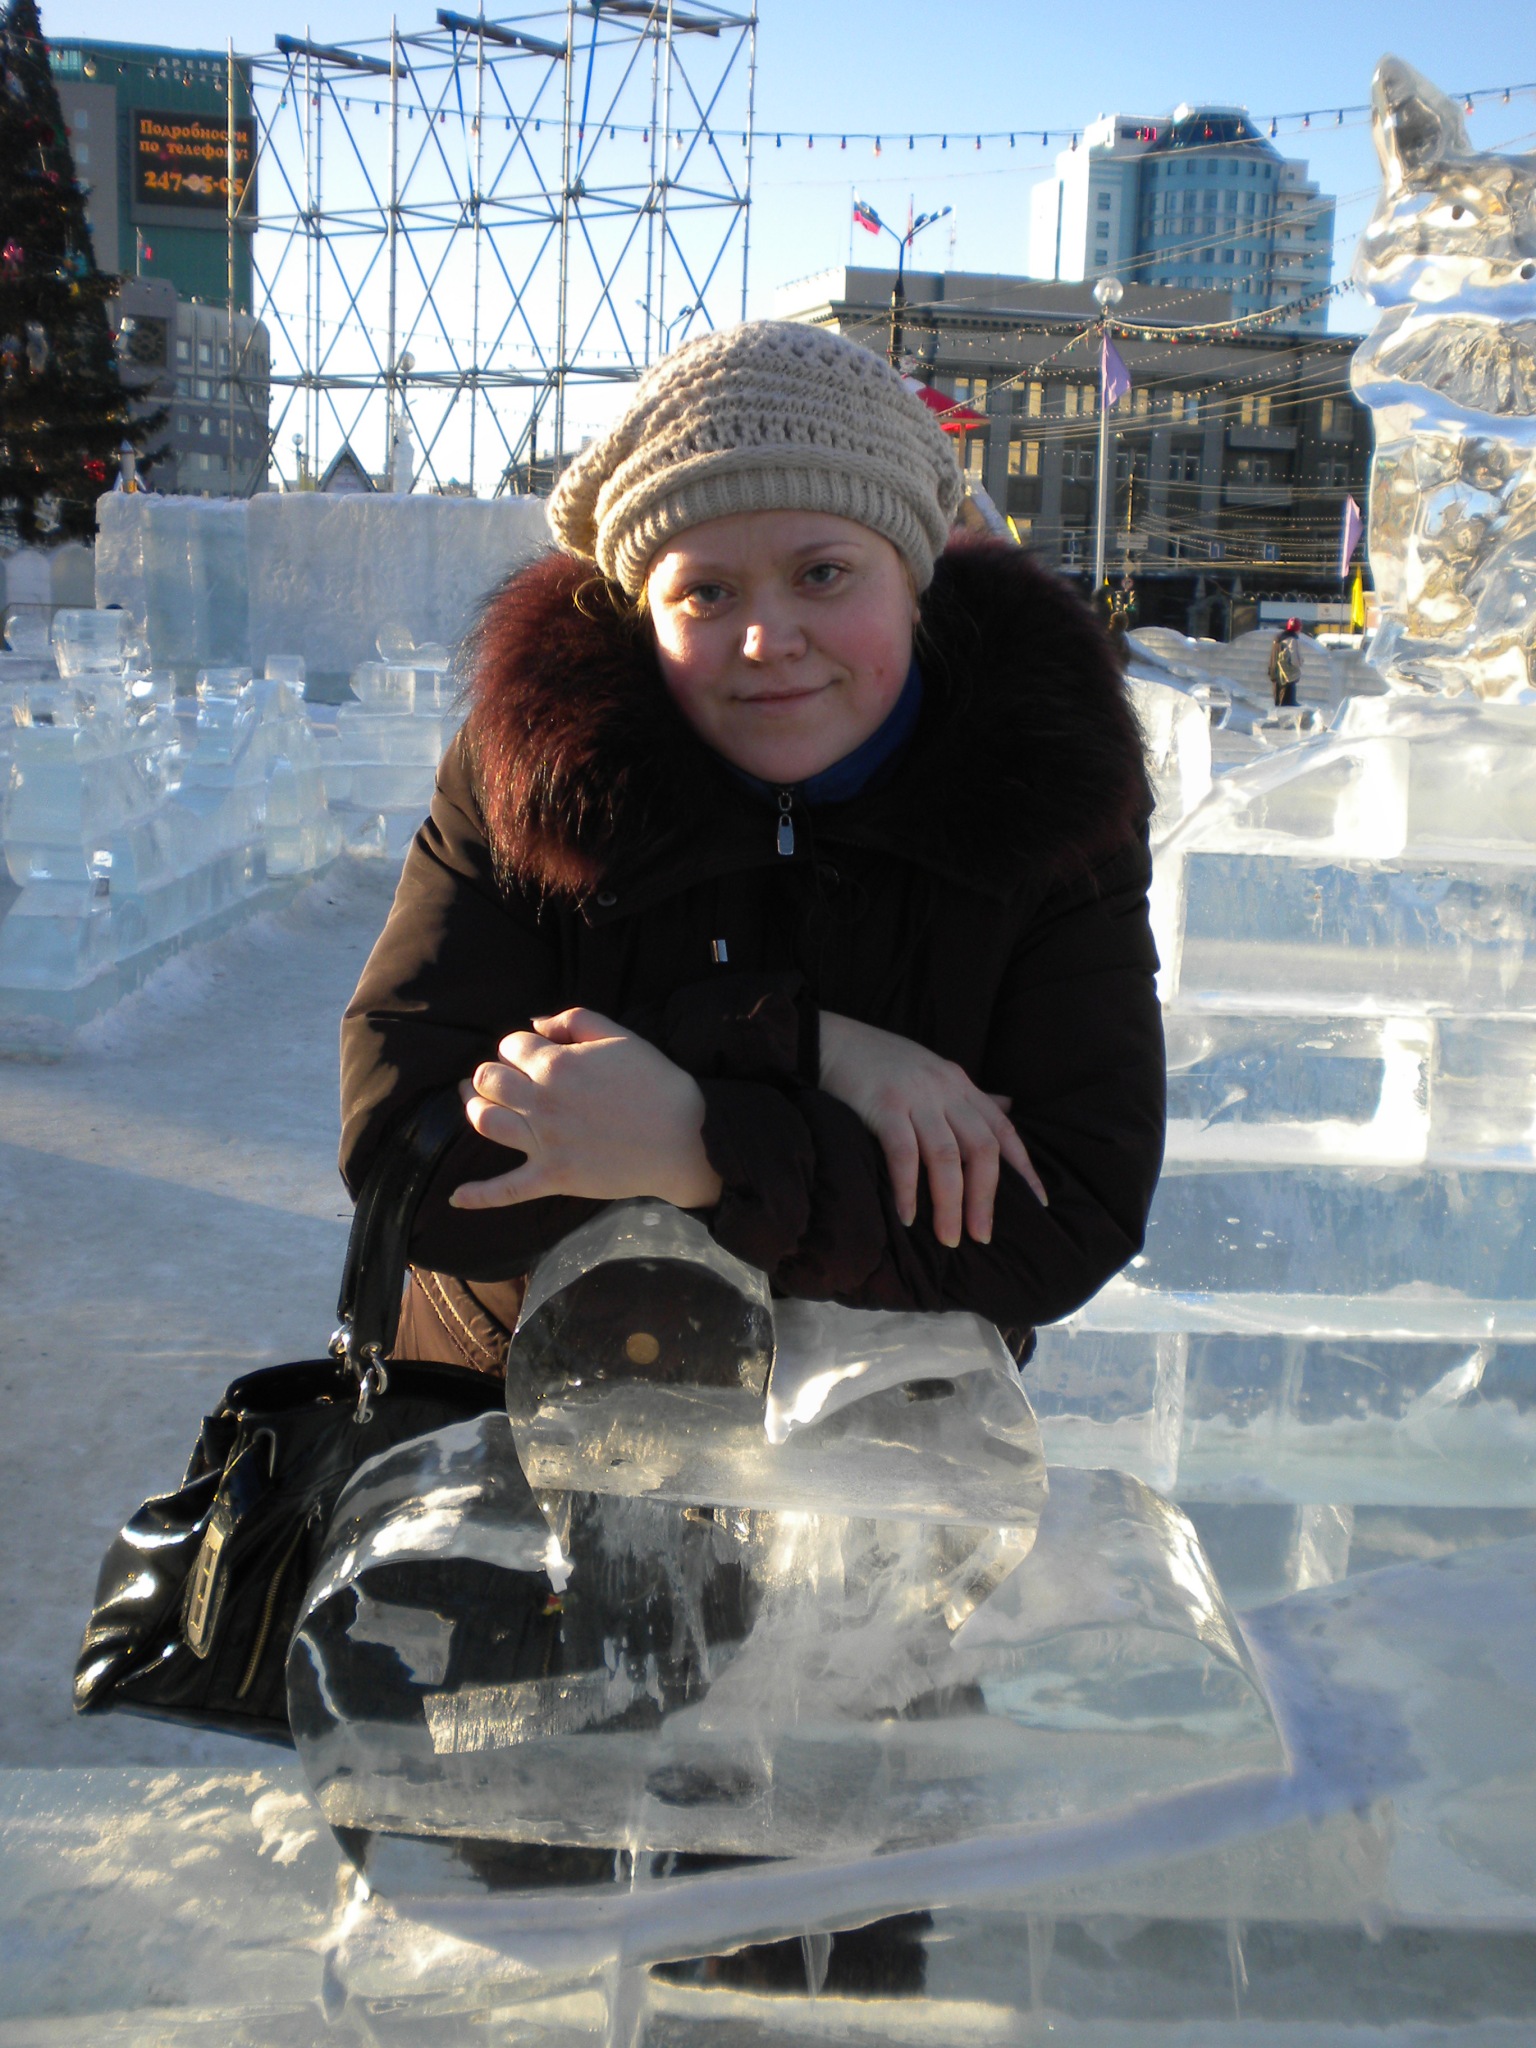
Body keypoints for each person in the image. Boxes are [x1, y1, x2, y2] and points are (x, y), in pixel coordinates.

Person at [340, 320, 1166, 1376]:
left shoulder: (1049, 784)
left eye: (822, 573)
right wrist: (805, 1050)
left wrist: (698, 1144)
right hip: (509, 1415)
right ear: (642, 609)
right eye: (707, 593)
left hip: (880, 1445)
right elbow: (410, 1156)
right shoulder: (532, 772)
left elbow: (1067, 1212)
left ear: (913, 582)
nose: (768, 641)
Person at [1270, 616, 1304, 708]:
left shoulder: (1278, 638)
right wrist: (1300, 662)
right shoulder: (1292, 640)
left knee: (1278, 704)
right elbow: (1295, 660)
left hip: (1275, 674)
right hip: (1286, 676)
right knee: (1288, 706)